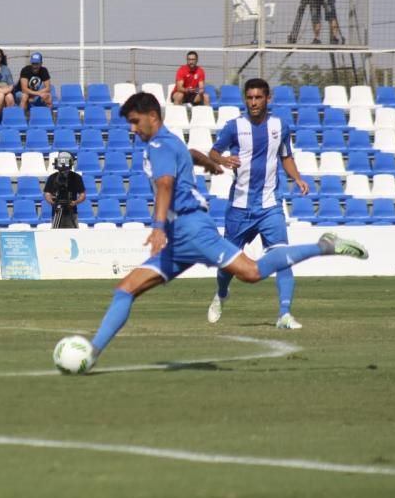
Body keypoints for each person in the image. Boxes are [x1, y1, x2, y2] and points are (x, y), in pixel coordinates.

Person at [83, 92, 368, 370]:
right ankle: (90, 355)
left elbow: (165, 185)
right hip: (179, 239)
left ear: (152, 116)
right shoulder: (169, 142)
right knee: (125, 290)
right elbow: (189, 153)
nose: (132, 129)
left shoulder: (159, 146)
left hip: (191, 229)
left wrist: (158, 228)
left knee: (252, 272)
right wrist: (207, 161)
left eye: (135, 121)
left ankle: (324, 246)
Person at [207, 78, 312, 329]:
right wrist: (223, 159)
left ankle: (284, 314)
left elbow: (285, 156)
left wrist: (297, 178)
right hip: (239, 208)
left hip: (269, 205)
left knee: (282, 256)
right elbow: (212, 153)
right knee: (227, 264)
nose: (253, 102)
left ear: (268, 99)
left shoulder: (280, 126)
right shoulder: (234, 127)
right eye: (250, 98)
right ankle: (221, 294)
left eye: (258, 98)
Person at [43, 151, 87, 228]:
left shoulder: (76, 177)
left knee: (73, 235)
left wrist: (75, 202)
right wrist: (51, 202)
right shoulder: (52, 177)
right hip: (57, 211)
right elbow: (47, 193)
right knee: (56, 235)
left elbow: (82, 194)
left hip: (71, 211)